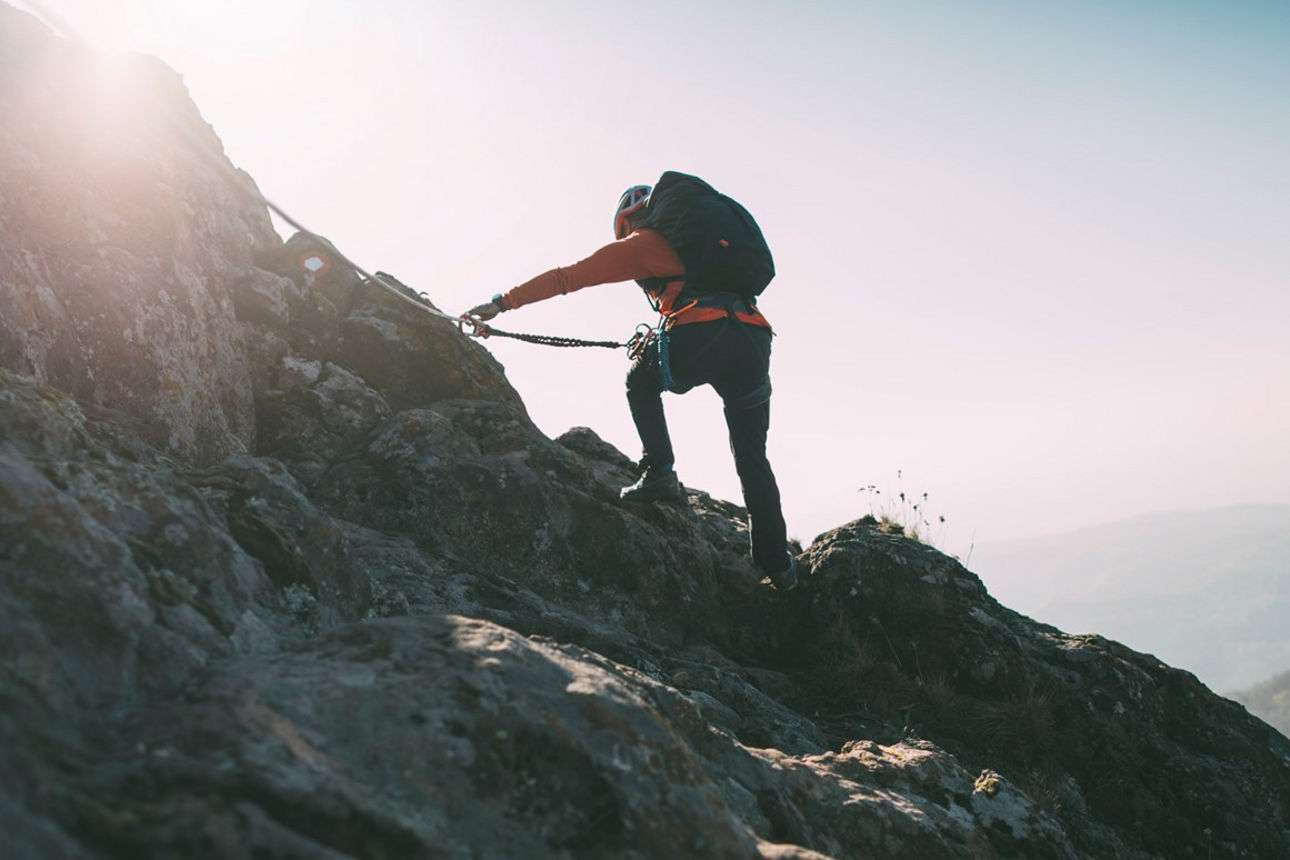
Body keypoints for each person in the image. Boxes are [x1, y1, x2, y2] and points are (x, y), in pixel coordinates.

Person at [467, 172, 796, 590]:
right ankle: (778, 566)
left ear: (628, 224)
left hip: (701, 332)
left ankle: (659, 470)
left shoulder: (645, 243)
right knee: (753, 457)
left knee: (640, 380)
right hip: (753, 336)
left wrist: (501, 304)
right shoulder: (708, 245)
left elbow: (568, 277)